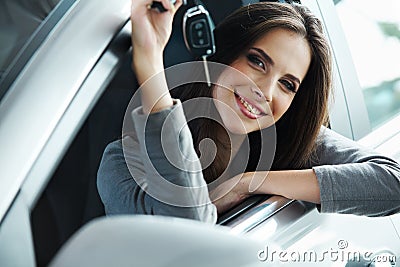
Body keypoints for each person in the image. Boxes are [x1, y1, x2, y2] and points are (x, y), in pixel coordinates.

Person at [97, 0, 400, 223]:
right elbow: (188, 233)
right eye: (257, 62)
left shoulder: (294, 138)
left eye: (287, 85)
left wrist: (249, 182)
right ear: (223, 56)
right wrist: (150, 62)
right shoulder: (124, 162)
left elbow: (393, 183)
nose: (266, 93)